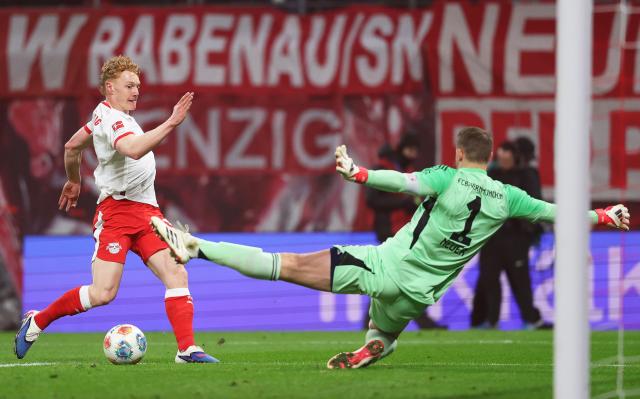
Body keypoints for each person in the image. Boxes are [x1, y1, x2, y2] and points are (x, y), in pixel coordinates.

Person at [150, 127, 630, 369]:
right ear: (490, 159)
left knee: (286, 264)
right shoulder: (510, 198)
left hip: (385, 265)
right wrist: (604, 216)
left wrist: (358, 174)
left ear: (461, 154)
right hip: (420, 295)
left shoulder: (447, 176)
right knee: (385, 329)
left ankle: (196, 247)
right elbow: (557, 213)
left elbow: (399, 180)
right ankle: (374, 346)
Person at [14, 55, 218, 363]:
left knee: (177, 273)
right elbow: (132, 149)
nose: (136, 91)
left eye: (138, 85)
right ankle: (38, 321)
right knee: (103, 293)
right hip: (117, 215)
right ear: (110, 87)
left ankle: (187, 349)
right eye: (129, 85)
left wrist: (73, 180)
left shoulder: (104, 114)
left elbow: (72, 146)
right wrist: (172, 121)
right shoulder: (114, 120)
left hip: (147, 214)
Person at [364, 134, 446, 330]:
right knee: (404, 275)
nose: (413, 154)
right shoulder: (382, 168)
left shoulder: (407, 170)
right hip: (388, 229)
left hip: (403, 229)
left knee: (389, 276)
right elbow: (372, 200)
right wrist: (403, 203)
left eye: (415, 150)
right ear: (401, 149)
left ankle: (369, 321)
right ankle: (421, 319)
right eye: (410, 149)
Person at [470, 141, 548, 329]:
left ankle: (530, 319)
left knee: (520, 280)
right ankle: (490, 320)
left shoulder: (526, 175)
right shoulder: (490, 176)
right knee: (489, 279)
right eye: (501, 156)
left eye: (508, 156)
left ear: (514, 157)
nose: (504, 160)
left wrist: (529, 229)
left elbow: (535, 202)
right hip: (491, 237)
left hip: (516, 237)